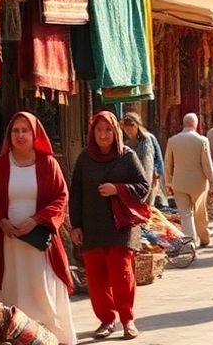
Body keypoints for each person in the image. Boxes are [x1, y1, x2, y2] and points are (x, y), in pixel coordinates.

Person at [0, 112, 76, 345]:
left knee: (43, 290)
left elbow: (60, 198)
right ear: (9, 136)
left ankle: (52, 338)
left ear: (35, 134)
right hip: (9, 244)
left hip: (39, 243)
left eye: (25, 130)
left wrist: (37, 220)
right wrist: (1, 222)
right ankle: (17, 336)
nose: (20, 135)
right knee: (14, 289)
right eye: (16, 131)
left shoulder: (48, 164)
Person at [69, 111, 150, 340]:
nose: (103, 135)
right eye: (98, 130)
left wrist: (118, 189)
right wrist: (76, 225)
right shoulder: (85, 158)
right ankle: (106, 319)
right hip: (92, 226)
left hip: (121, 228)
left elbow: (143, 187)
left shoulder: (127, 156)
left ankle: (127, 319)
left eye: (108, 130)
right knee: (96, 278)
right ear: (92, 132)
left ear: (116, 132)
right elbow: (76, 194)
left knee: (121, 274)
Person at [163, 113, 213, 248]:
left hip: (179, 183)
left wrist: (168, 182)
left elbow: (167, 164)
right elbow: (207, 164)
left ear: (183, 123)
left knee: (185, 214)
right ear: (196, 124)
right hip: (198, 183)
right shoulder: (202, 140)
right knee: (199, 212)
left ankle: (190, 244)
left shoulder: (173, 141)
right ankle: (204, 238)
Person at [120, 113, 159, 206]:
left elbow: (147, 166)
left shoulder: (145, 141)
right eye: (125, 127)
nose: (128, 130)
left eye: (131, 126)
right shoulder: (127, 143)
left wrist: (145, 189)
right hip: (133, 184)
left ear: (137, 125)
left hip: (145, 182)